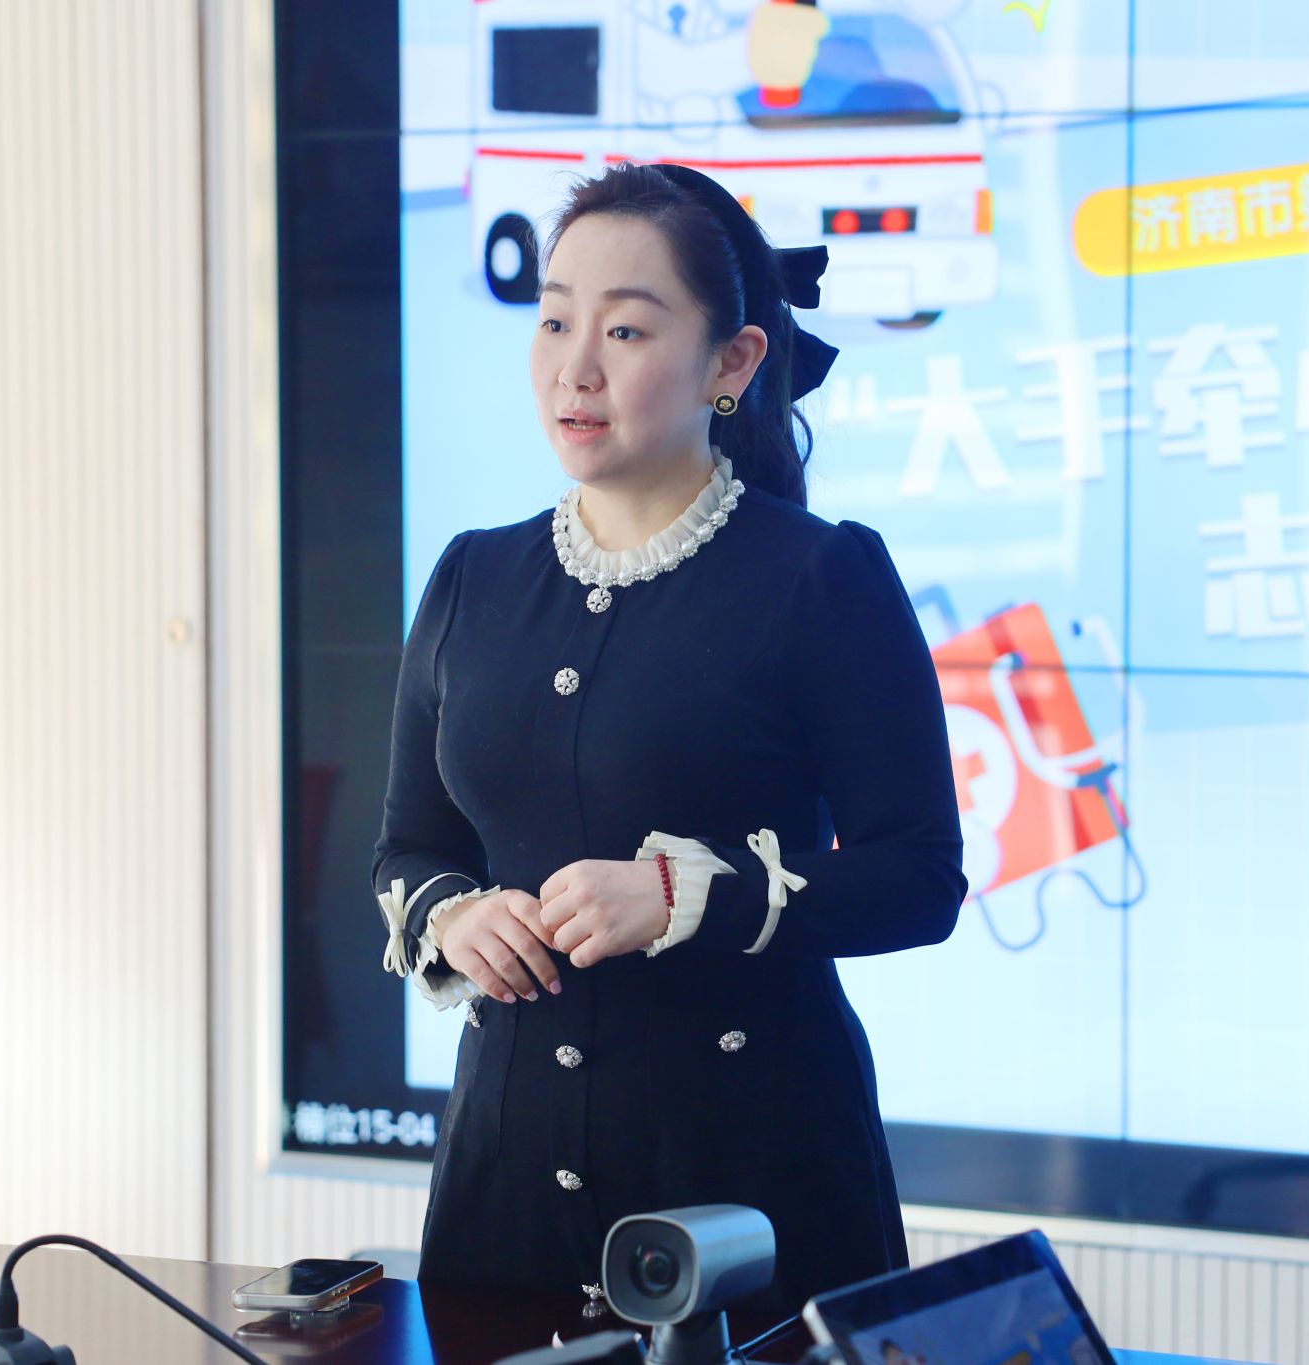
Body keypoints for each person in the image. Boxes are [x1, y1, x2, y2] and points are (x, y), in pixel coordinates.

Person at [370, 160, 966, 1316]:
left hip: (752, 1189)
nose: (574, 367)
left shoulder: (821, 576)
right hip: (505, 1187)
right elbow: (406, 849)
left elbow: (917, 879)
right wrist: (454, 917)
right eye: (554, 321)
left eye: (626, 330)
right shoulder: (472, 576)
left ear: (731, 363)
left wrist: (684, 896)